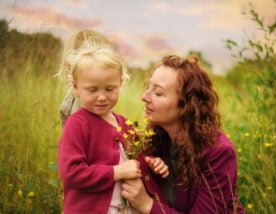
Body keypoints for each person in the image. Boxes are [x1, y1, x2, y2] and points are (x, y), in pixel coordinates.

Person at [57, 29, 168, 214]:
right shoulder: (77, 124)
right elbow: (72, 173)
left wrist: (153, 163)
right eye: (92, 90)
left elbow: (135, 159)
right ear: (75, 88)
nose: (102, 97)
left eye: (110, 89)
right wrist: (116, 172)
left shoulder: (123, 123)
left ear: (120, 84)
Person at [121, 55, 245, 213]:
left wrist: (147, 205)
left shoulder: (218, 152)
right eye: (148, 87)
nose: (144, 97)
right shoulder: (154, 140)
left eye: (158, 93)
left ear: (186, 105)